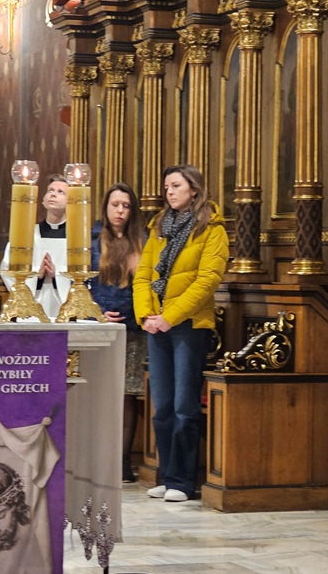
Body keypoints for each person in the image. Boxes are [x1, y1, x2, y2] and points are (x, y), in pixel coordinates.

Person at [134, 165, 228, 503]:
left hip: (189, 326)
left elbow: (207, 281)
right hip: (157, 324)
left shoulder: (212, 228)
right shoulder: (159, 226)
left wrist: (170, 317)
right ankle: (166, 474)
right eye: (166, 187)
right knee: (162, 406)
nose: (169, 192)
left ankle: (182, 481)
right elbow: (143, 275)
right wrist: (146, 315)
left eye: (176, 185)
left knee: (184, 406)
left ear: (194, 189)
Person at [87, 183, 148, 483]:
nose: (120, 211)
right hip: (99, 327)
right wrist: (96, 312)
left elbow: (150, 285)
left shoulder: (142, 241)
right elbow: (80, 284)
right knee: (99, 395)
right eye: (115, 205)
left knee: (125, 396)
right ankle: (97, 458)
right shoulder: (93, 240)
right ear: (106, 207)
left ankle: (122, 462)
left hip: (132, 329)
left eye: (126, 206)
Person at [0, 174, 72, 320]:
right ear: (43, 200)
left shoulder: (76, 238)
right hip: (31, 309)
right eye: (50, 190)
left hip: (64, 310)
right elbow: (7, 269)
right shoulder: (27, 236)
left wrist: (56, 275)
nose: (53, 194)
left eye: (60, 192)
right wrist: (36, 277)